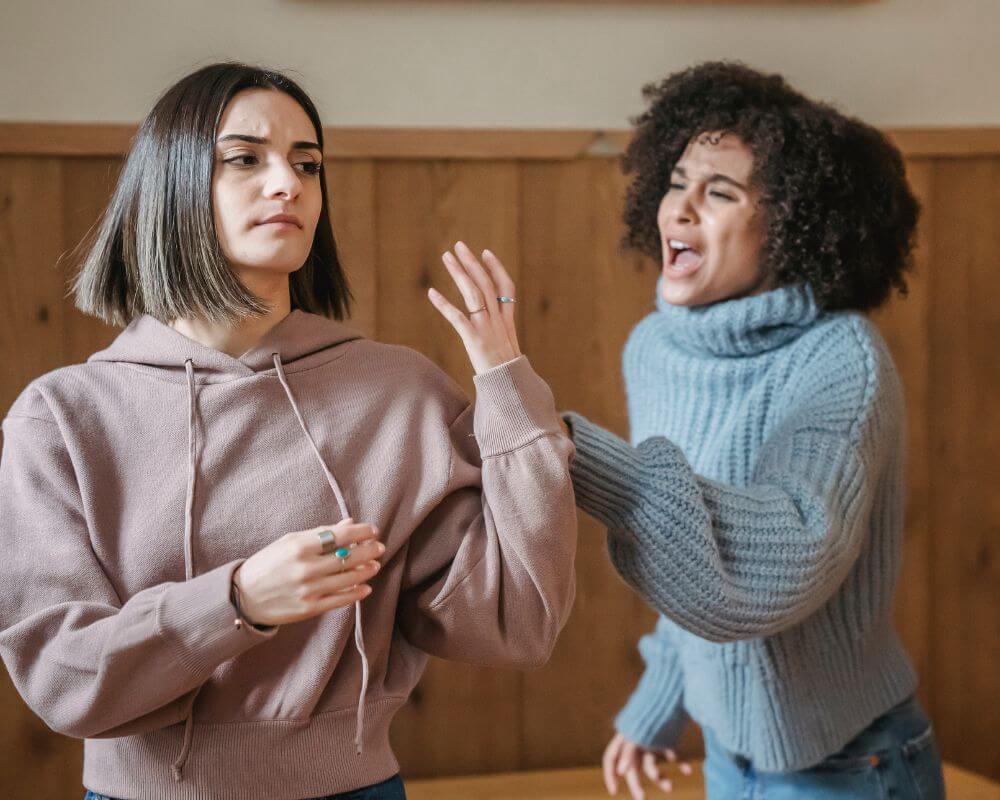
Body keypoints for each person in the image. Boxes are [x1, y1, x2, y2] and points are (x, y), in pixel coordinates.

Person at [0, 62, 577, 800]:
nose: (289, 184)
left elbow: (517, 622)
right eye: (246, 159)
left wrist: (508, 388)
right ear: (170, 187)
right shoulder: (63, 418)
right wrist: (237, 601)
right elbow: (61, 678)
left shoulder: (397, 394)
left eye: (308, 164)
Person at [559, 62, 946, 799]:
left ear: (794, 226)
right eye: (676, 182)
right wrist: (660, 700)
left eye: (721, 192)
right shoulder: (655, 348)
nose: (680, 209)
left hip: (851, 763)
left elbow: (781, 560)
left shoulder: (840, 361)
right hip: (727, 757)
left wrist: (580, 456)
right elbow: (689, 541)